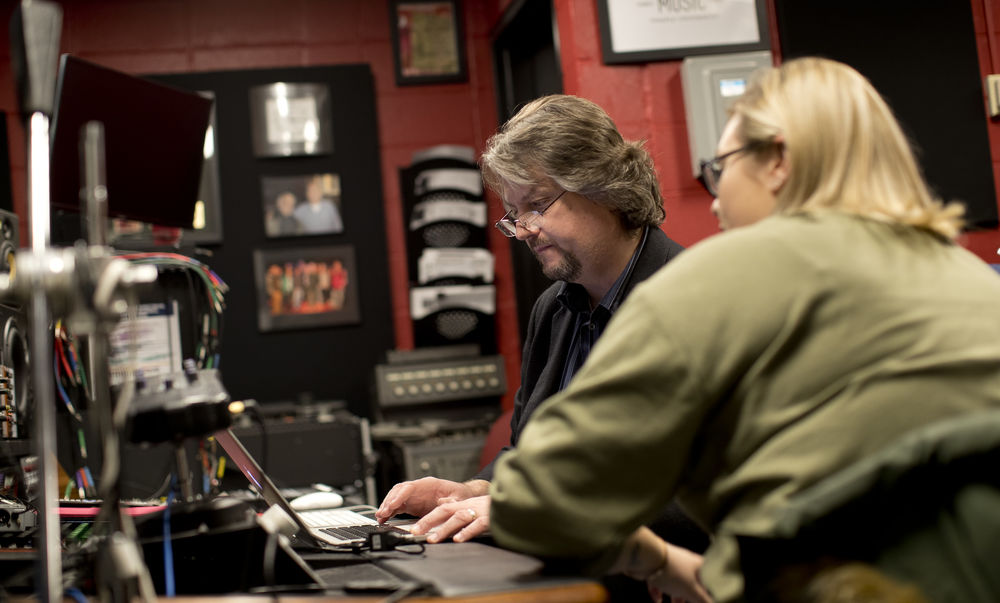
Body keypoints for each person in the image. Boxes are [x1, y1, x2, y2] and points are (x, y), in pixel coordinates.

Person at [468, 58, 1000, 602]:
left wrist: (601, 537)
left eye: (720, 167)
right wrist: (652, 558)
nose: (715, 198)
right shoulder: (972, 279)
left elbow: (541, 500)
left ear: (778, 162)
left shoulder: (730, 274)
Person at [376, 95, 703, 555]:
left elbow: (701, 493)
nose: (524, 229)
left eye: (537, 205)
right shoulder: (554, 309)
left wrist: (529, 512)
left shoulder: (695, 301)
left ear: (603, 187)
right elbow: (534, 460)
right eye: (513, 214)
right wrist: (473, 492)